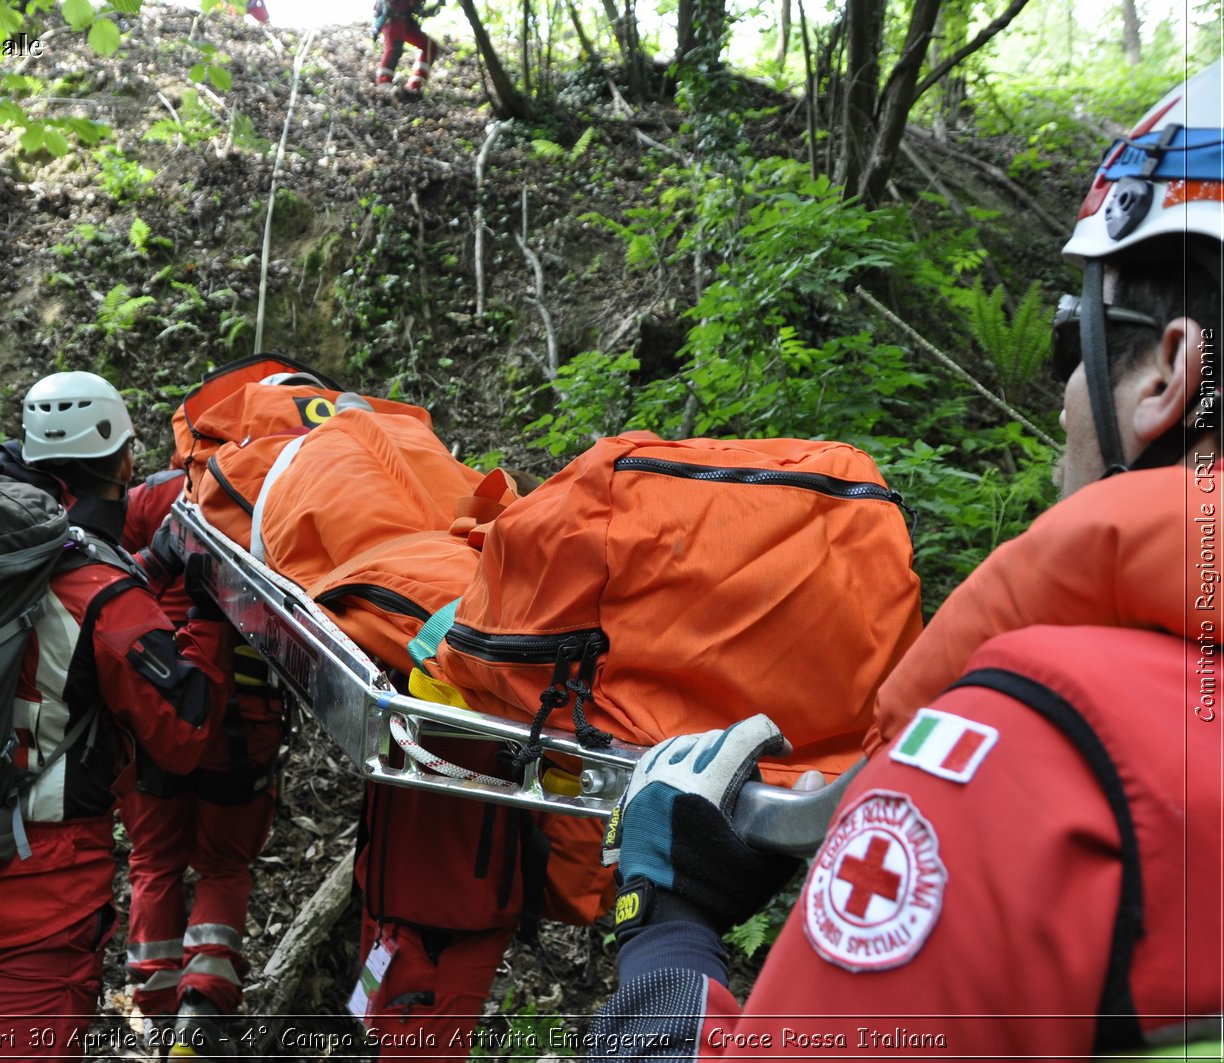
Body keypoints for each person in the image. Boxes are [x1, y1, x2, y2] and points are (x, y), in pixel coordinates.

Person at [587, 61, 1223, 1057]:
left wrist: (665, 932)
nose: (1062, 397)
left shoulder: (1019, 769)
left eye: (1072, 340)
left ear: (1167, 378)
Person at [0, 371, 228, 1060]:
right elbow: (181, 735)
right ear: (125, 461)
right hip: (42, 876)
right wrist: (208, 614)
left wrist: (143, 570)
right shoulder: (102, 593)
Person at [118, 479, 286, 1057]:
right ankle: (202, 1009)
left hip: (155, 707)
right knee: (223, 864)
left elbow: (118, 583)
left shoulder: (147, 499)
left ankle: (160, 1015)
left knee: (155, 860)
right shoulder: (272, 493)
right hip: (244, 715)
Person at [372, 0, 441, 94]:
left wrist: (427, 11)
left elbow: (415, 7)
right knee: (394, 49)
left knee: (430, 47)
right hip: (392, 18)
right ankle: (383, 86)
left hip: (405, 20)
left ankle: (415, 85)